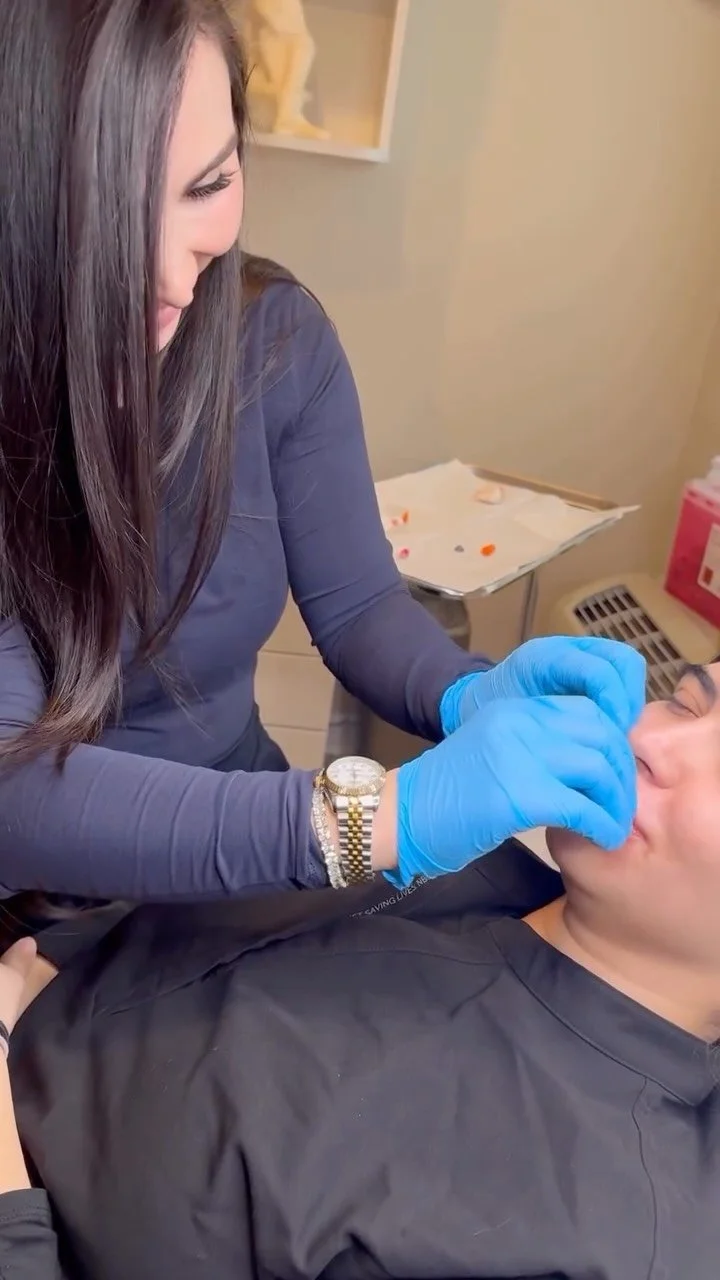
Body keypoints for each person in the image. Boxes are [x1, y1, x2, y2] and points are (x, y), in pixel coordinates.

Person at [0, 0, 646, 906]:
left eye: (207, 186)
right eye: (104, 219)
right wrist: (376, 820)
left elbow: (359, 607)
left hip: (247, 821)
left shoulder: (276, 342)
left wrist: (464, 694)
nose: (172, 275)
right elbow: (16, 792)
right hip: (49, 890)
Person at [0, 660, 718, 1278]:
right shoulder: (466, 852)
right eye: (684, 701)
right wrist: (51, 964)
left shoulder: (592, 1236)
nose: (647, 740)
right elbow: (179, 917)